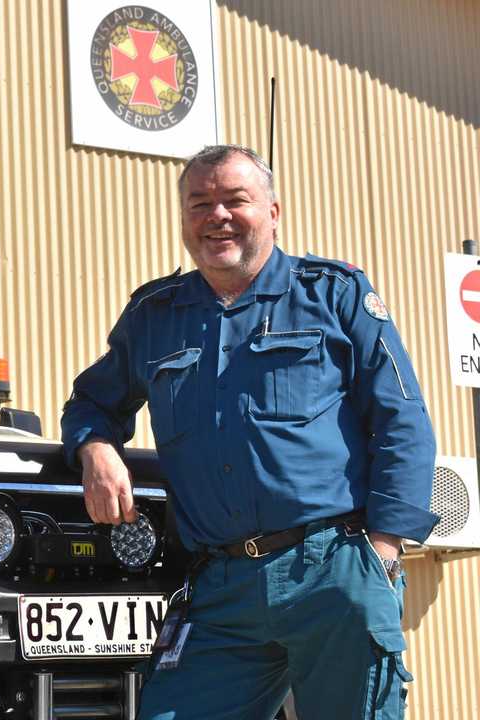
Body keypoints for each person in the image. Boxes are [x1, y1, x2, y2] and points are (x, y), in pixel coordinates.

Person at [60, 144, 437, 719]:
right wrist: (96, 446)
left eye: (236, 200)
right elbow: (92, 400)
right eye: (199, 203)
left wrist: (382, 550)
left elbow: (401, 420)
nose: (217, 215)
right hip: (221, 587)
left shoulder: (335, 296)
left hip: (333, 570)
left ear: (274, 211)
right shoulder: (153, 316)